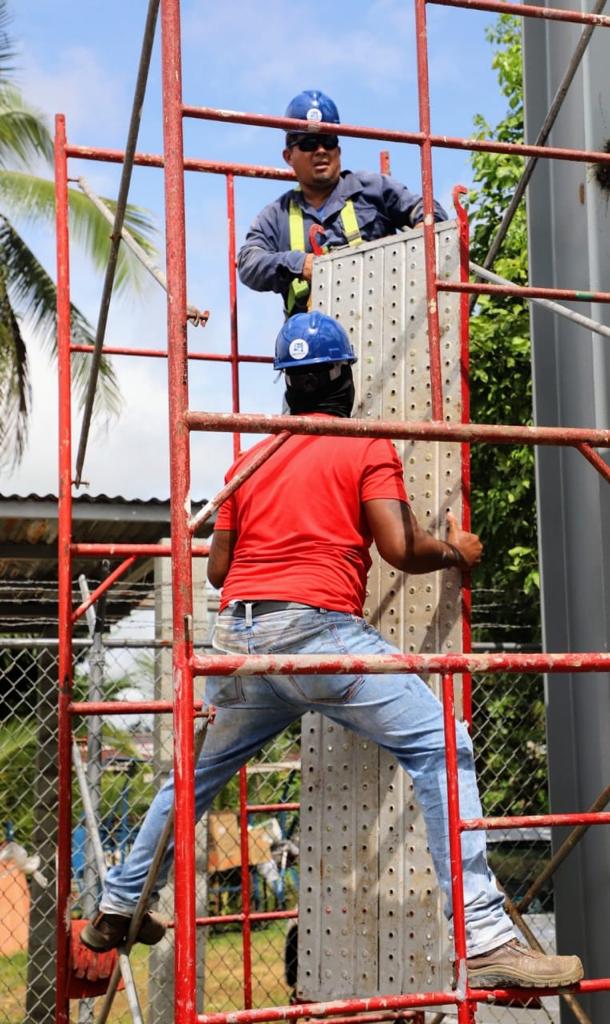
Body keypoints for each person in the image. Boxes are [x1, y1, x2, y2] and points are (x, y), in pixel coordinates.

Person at [81, 312, 583, 992]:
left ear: (287, 385)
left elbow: (218, 571)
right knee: (440, 740)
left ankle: (118, 902)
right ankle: (488, 937)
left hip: (240, 640)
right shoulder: (360, 440)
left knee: (192, 777)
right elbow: (400, 550)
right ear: (343, 377)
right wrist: (453, 552)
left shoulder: (249, 457)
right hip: (315, 634)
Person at [238, 90, 448, 316]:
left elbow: (430, 213)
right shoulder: (277, 216)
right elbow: (249, 262)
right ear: (288, 156)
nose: (320, 151)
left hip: (381, 325)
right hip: (310, 342)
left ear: (338, 149)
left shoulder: (373, 189)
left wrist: (413, 244)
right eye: (308, 143)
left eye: (328, 141)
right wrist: (300, 264)